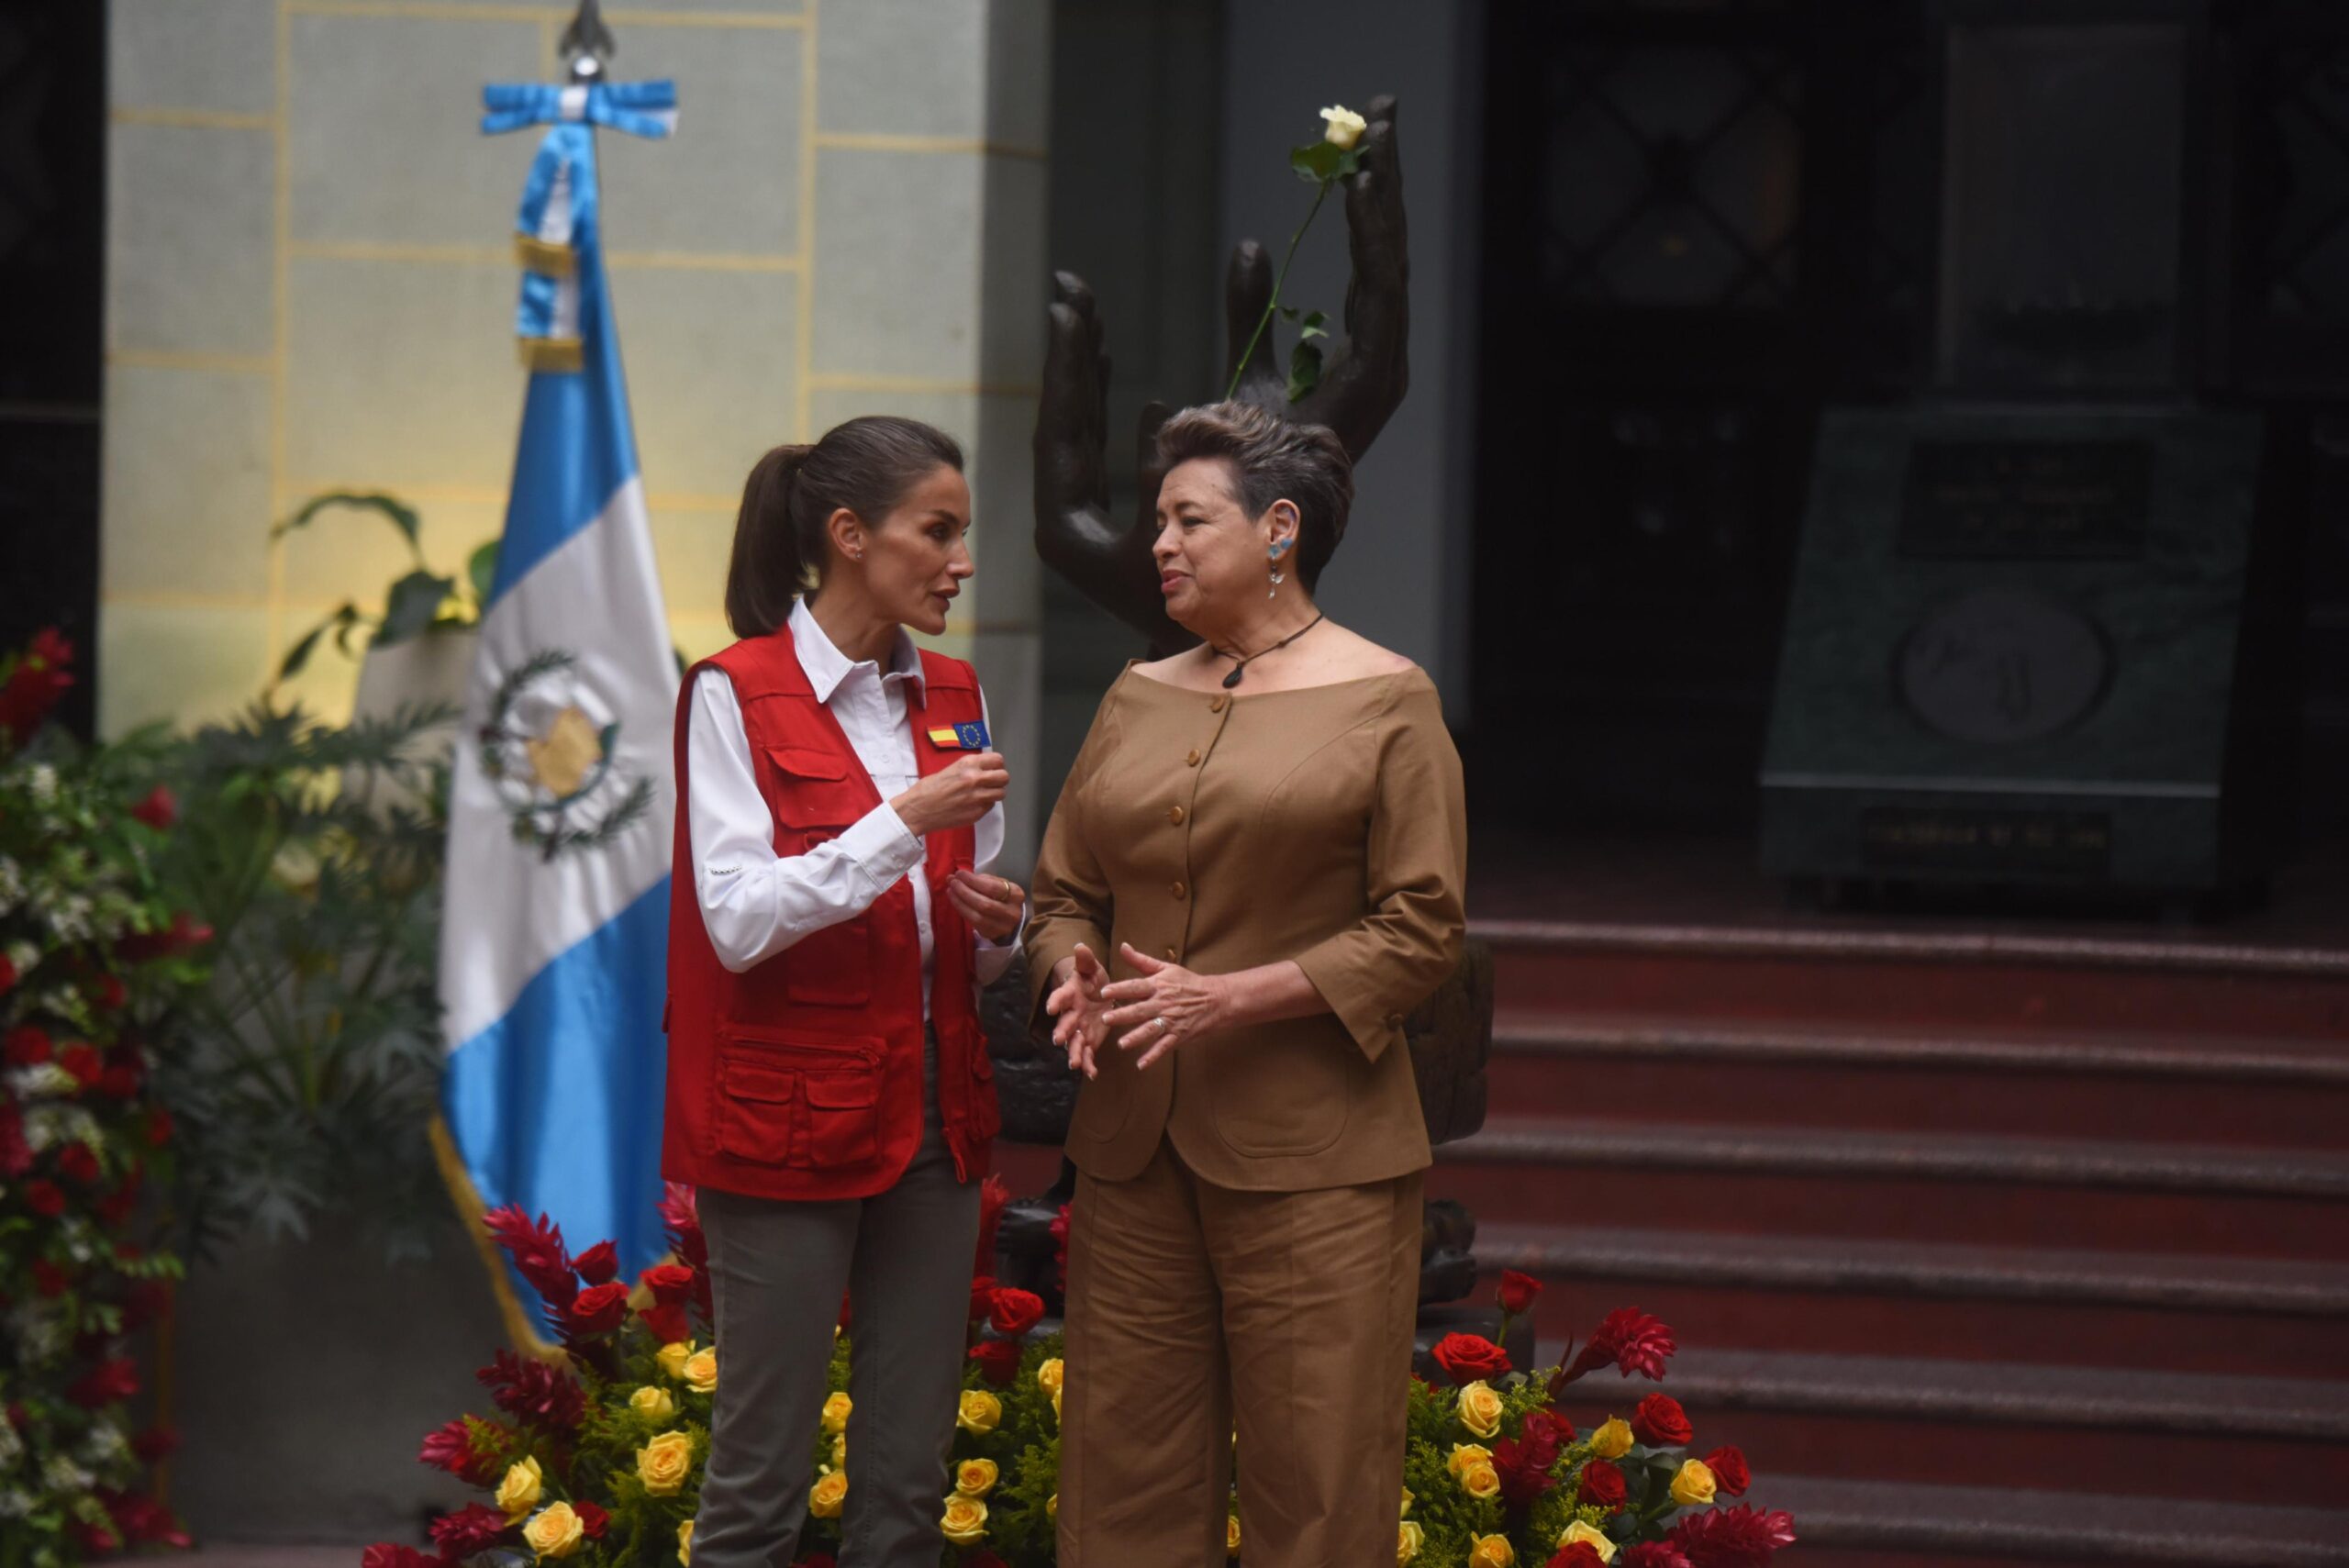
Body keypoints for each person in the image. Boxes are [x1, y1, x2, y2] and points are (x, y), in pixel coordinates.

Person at [1025, 400, 1468, 1567]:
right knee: (1117, 1476)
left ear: (1279, 529)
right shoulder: (1136, 691)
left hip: (1316, 1153)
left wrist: (1235, 996)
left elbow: (1424, 927)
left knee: (1314, 1480)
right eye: (1156, 519)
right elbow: (1063, 887)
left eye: (1186, 518)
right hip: (1132, 1145)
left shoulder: (1390, 700)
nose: (1158, 543)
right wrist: (1063, 966)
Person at [662, 415, 1030, 1568]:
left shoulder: (954, 690)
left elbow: (959, 916)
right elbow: (737, 920)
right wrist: (901, 823)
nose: (960, 560)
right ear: (848, 534)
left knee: (906, 1482)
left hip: (934, 1109)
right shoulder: (733, 688)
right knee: (758, 1481)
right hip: (782, 1118)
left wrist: (1002, 930)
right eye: (939, 530)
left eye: (962, 533)